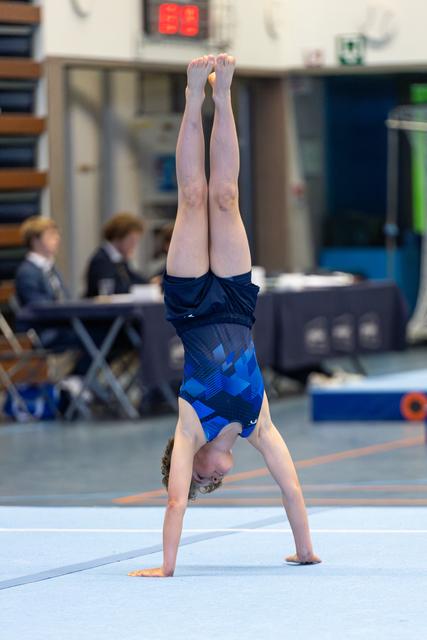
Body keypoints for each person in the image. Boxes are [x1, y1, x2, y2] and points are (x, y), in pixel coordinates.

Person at [129, 54, 321, 578]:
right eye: (208, 486)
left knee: (193, 198)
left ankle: (194, 95)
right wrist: (304, 552)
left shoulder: (191, 423)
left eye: (204, 484)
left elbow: (174, 505)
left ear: (188, 466)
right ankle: (225, 93)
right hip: (236, 305)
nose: (213, 483)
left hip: (190, 308)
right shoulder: (259, 421)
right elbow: (292, 487)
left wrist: (166, 568)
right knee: (226, 197)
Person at [85, 212, 147, 297]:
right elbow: (112, 290)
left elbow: (134, 278)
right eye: (132, 240)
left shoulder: (119, 259)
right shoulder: (101, 260)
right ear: (119, 236)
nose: (134, 245)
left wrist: (150, 283)